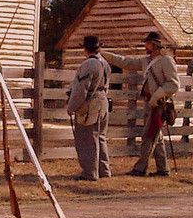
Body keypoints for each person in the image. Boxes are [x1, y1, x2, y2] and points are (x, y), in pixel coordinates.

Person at [101, 31, 179, 177]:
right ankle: (163, 169)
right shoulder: (146, 61)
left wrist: (156, 97)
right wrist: (105, 54)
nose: (145, 45)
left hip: (159, 104)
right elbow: (126, 62)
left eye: (147, 43)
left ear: (154, 45)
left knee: (148, 136)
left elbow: (173, 85)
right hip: (150, 103)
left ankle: (140, 168)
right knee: (156, 136)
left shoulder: (167, 61)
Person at [65, 35, 111, 181]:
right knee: (100, 137)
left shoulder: (88, 65)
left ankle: (89, 172)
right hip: (103, 101)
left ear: (85, 48)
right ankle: (104, 170)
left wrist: (72, 106)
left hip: (91, 103)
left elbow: (81, 89)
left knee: (87, 138)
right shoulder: (104, 63)